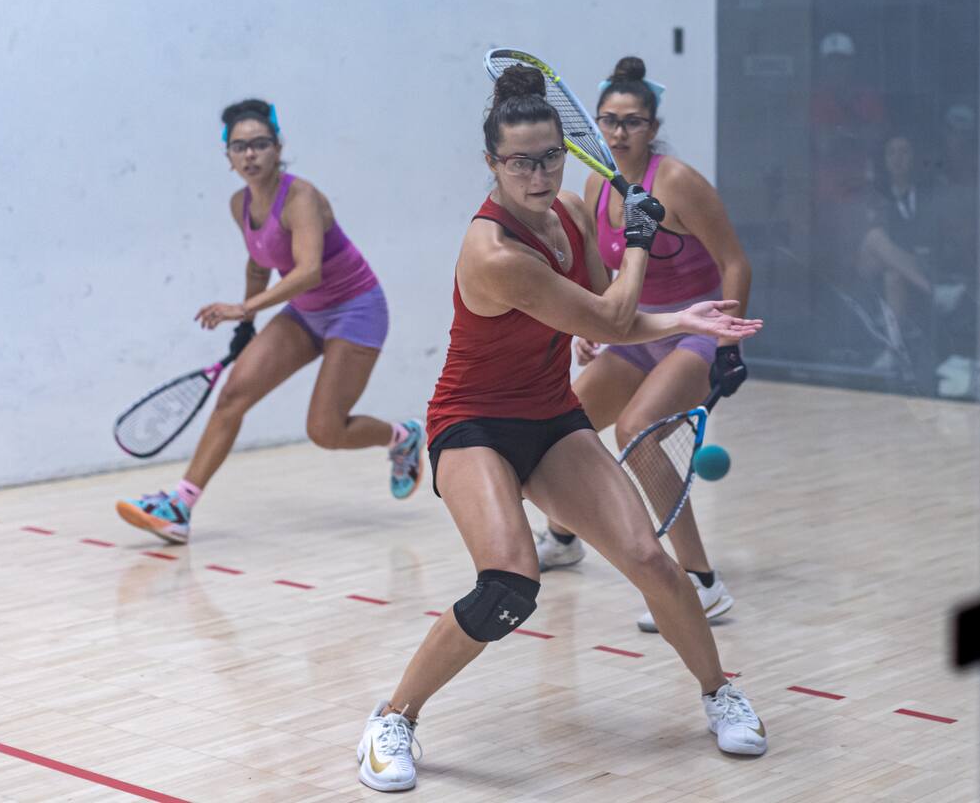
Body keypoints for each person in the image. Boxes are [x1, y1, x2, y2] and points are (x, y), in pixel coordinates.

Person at [353, 67, 768, 793]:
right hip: (472, 424)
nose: (538, 173)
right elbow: (610, 317)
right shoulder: (493, 253)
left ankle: (718, 691)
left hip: (550, 416)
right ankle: (393, 718)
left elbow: (602, 313)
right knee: (509, 583)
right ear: (492, 165)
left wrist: (683, 318)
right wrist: (641, 243)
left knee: (651, 561)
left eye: (550, 156)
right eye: (520, 161)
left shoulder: (572, 215)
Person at [116, 99, 424, 544]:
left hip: (357, 308)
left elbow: (307, 271)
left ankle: (403, 436)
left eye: (260, 144)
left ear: (278, 148)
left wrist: (244, 309)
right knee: (233, 395)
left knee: (325, 430)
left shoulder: (302, 198)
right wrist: (248, 324)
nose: (250, 155)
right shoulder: (239, 203)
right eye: (240, 147)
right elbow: (259, 264)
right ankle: (180, 505)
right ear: (228, 157)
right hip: (305, 312)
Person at [532, 56, 752, 634]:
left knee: (637, 430)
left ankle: (703, 583)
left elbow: (735, 261)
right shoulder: (595, 183)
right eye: (610, 120)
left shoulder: (676, 181)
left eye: (633, 121)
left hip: (695, 333)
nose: (620, 132)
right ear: (596, 126)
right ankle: (561, 537)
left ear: (652, 128)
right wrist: (592, 323)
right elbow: (603, 274)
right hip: (637, 336)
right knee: (566, 424)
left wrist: (729, 346)